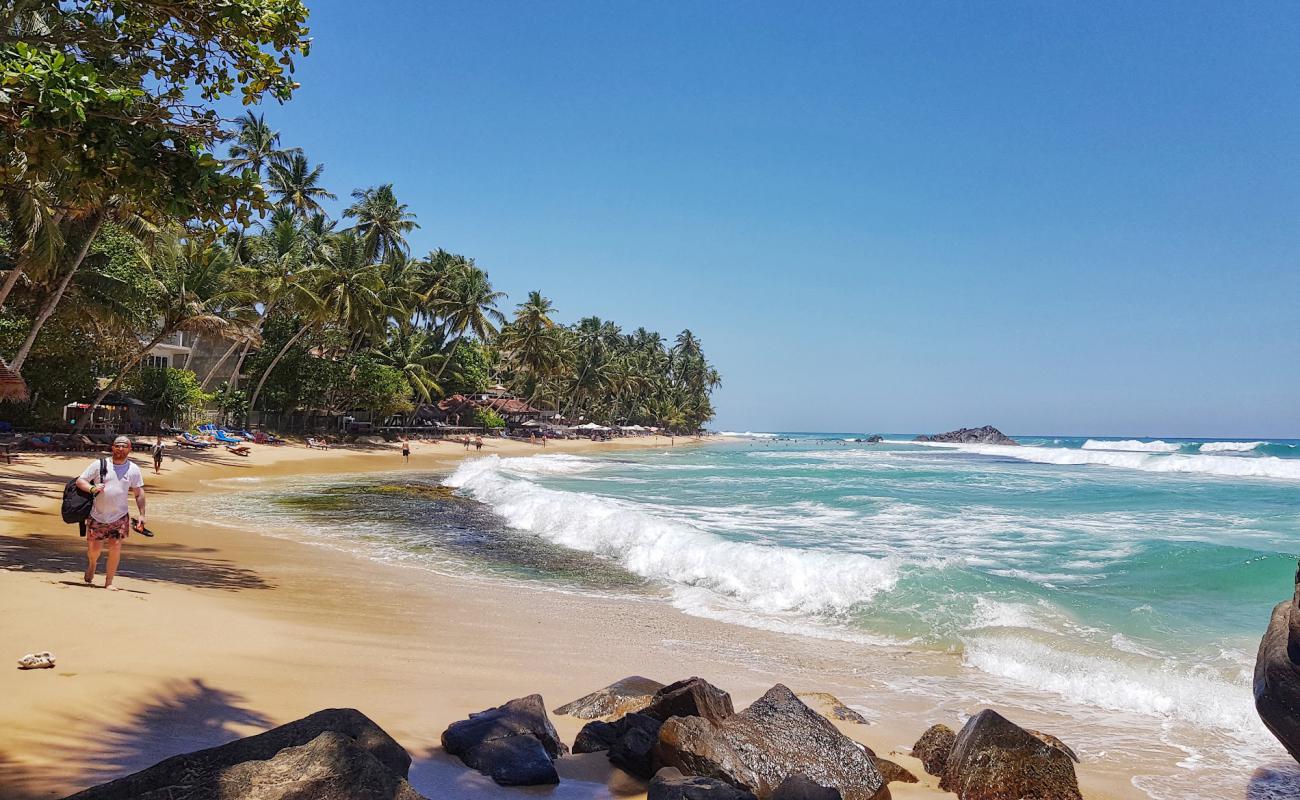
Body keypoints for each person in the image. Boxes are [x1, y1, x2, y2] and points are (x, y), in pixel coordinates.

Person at [75, 435, 146, 590]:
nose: (120, 449)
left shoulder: (133, 469)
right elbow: (80, 481)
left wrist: (142, 514)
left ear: (129, 449)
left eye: (124, 446)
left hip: (119, 516)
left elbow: (139, 493)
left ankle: (109, 582)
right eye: (117, 446)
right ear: (112, 447)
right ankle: (93, 564)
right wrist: (92, 488)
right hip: (97, 515)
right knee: (94, 550)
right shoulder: (99, 465)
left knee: (115, 547)